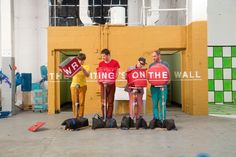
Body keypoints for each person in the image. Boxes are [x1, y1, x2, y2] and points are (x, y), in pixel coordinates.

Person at [98, 48, 120, 118]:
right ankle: (104, 115)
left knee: (110, 101)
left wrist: (111, 80)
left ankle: (109, 116)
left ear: (108, 55)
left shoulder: (115, 62)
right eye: (102, 56)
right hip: (103, 85)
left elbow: (116, 73)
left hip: (111, 85)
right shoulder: (100, 63)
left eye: (104, 56)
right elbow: (99, 73)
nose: (103, 58)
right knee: (103, 101)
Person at [149, 50, 170, 121]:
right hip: (154, 88)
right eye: (152, 56)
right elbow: (149, 77)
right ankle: (156, 119)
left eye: (154, 56)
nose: (153, 58)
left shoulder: (165, 64)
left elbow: (168, 76)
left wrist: (166, 83)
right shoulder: (151, 65)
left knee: (162, 104)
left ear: (159, 55)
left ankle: (162, 119)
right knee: (154, 104)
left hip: (163, 87)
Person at [70, 52, 90, 118]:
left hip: (82, 86)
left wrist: (83, 69)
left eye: (82, 60)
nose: (81, 62)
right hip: (73, 86)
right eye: (79, 60)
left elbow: (87, 75)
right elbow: (68, 75)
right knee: (74, 102)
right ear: (77, 59)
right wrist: (63, 71)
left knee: (81, 102)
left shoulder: (86, 66)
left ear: (84, 60)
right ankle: (75, 116)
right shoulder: (73, 65)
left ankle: (81, 117)